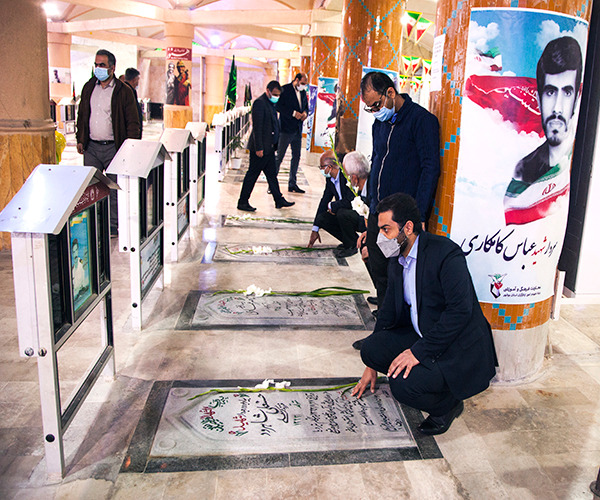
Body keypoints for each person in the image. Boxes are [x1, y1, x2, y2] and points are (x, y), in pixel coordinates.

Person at [351, 193, 497, 436]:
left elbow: (459, 312)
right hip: (423, 332)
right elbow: (387, 311)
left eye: (386, 230)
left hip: (455, 344)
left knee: (402, 386)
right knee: (370, 350)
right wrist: (371, 366)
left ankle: (448, 405)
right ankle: (428, 374)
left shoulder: (445, 254)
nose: (381, 238)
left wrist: (417, 352)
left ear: (407, 227)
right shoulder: (397, 257)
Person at [357, 71, 440, 311]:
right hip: (378, 210)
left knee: (397, 269)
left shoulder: (421, 121)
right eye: (370, 109)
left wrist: (419, 214)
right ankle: (385, 305)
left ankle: (390, 319)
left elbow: (430, 169)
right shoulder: (379, 124)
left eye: (376, 105)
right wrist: (369, 205)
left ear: (390, 93)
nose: (375, 112)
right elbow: (377, 161)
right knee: (377, 263)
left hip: (401, 217)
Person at [504, 36, 582, 225]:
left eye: (567, 92)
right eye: (550, 92)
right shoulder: (522, 170)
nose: (557, 108)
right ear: (538, 99)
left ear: (577, 99)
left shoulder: (575, 162)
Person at [76, 49, 140, 236]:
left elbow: (133, 121)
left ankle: (112, 225)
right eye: (96, 64)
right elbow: (82, 115)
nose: (98, 68)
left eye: (102, 65)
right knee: (91, 189)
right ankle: (94, 224)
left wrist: (130, 147)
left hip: (114, 147)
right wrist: (81, 138)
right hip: (91, 147)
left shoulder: (123, 91)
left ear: (112, 68)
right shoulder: (89, 87)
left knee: (113, 188)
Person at [237, 81, 295, 212]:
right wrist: (259, 148)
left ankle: (278, 200)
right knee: (252, 175)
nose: (276, 97)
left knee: (272, 175)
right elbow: (257, 128)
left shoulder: (270, 103)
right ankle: (243, 201)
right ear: (267, 90)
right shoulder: (260, 103)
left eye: (278, 95)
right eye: (274, 94)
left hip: (269, 147)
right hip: (261, 149)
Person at [307, 151, 369, 258]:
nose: (321, 170)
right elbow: (324, 200)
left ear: (329, 167)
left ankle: (351, 246)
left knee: (341, 212)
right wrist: (315, 229)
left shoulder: (347, 176)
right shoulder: (330, 179)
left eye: (322, 167)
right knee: (323, 218)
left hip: (360, 217)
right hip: (344, 214)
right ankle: (349, 240)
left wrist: (333, 206)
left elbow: (351, 201)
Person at [275, 72, 309, 193]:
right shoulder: (285, 89)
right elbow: (278, 106)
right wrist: (293, 113)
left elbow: (306, 107)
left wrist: (305, 113)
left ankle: (292, 183)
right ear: (297, 80)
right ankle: (272, 184)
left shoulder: (303, 92)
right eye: (303, 83)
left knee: (296, 157)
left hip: (297, 129)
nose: (304, 86)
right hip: (286, 129)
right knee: (279, 157)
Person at [124, 67, 143, 138]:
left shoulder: (131, 90)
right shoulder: (127, 91)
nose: (138, 83)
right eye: (138, 79)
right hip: (129, 134)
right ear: (134, 79)